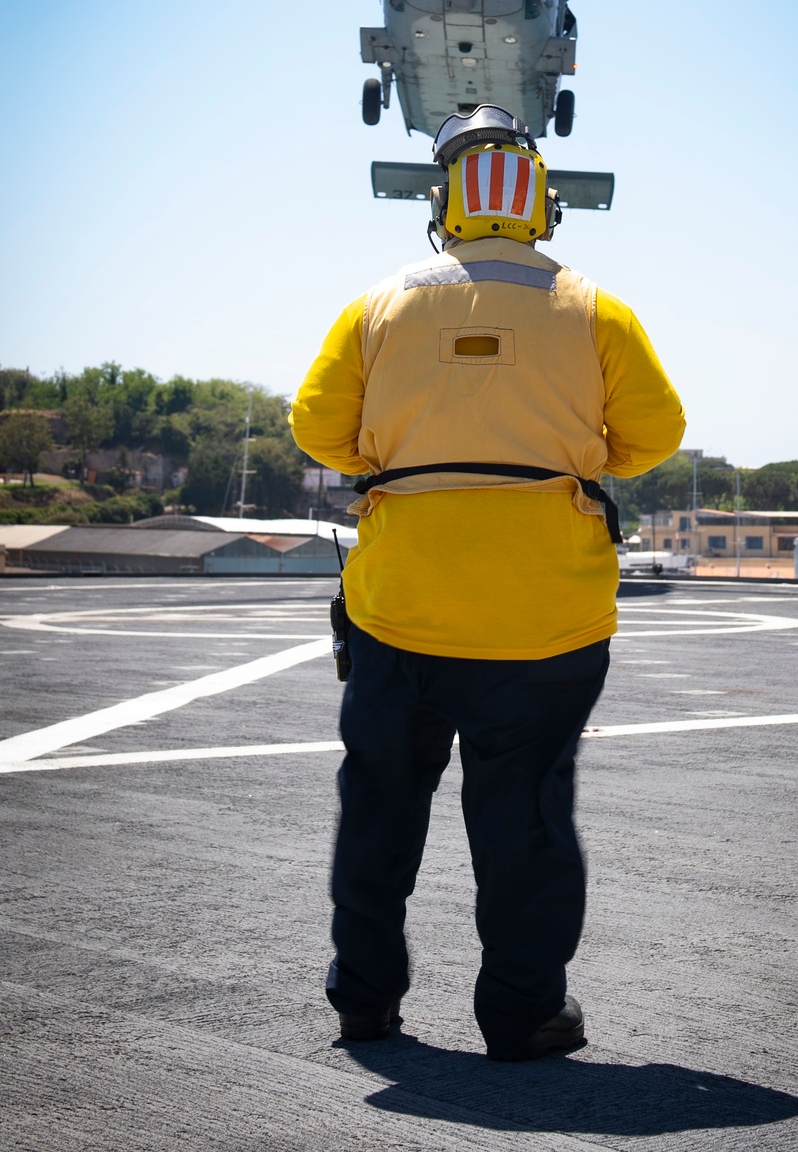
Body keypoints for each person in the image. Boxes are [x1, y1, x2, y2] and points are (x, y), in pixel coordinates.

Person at [290, 105, 685, 1061]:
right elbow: (654, 438)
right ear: (540, 208)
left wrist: (410, 455)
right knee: (526, 820)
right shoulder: (596, 308)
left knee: (380, 806)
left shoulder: (380, 305)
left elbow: (316, 428)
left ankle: (365, 1001)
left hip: (399, 613)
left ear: (445, 210)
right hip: (545, 624)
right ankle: (521, 1013)